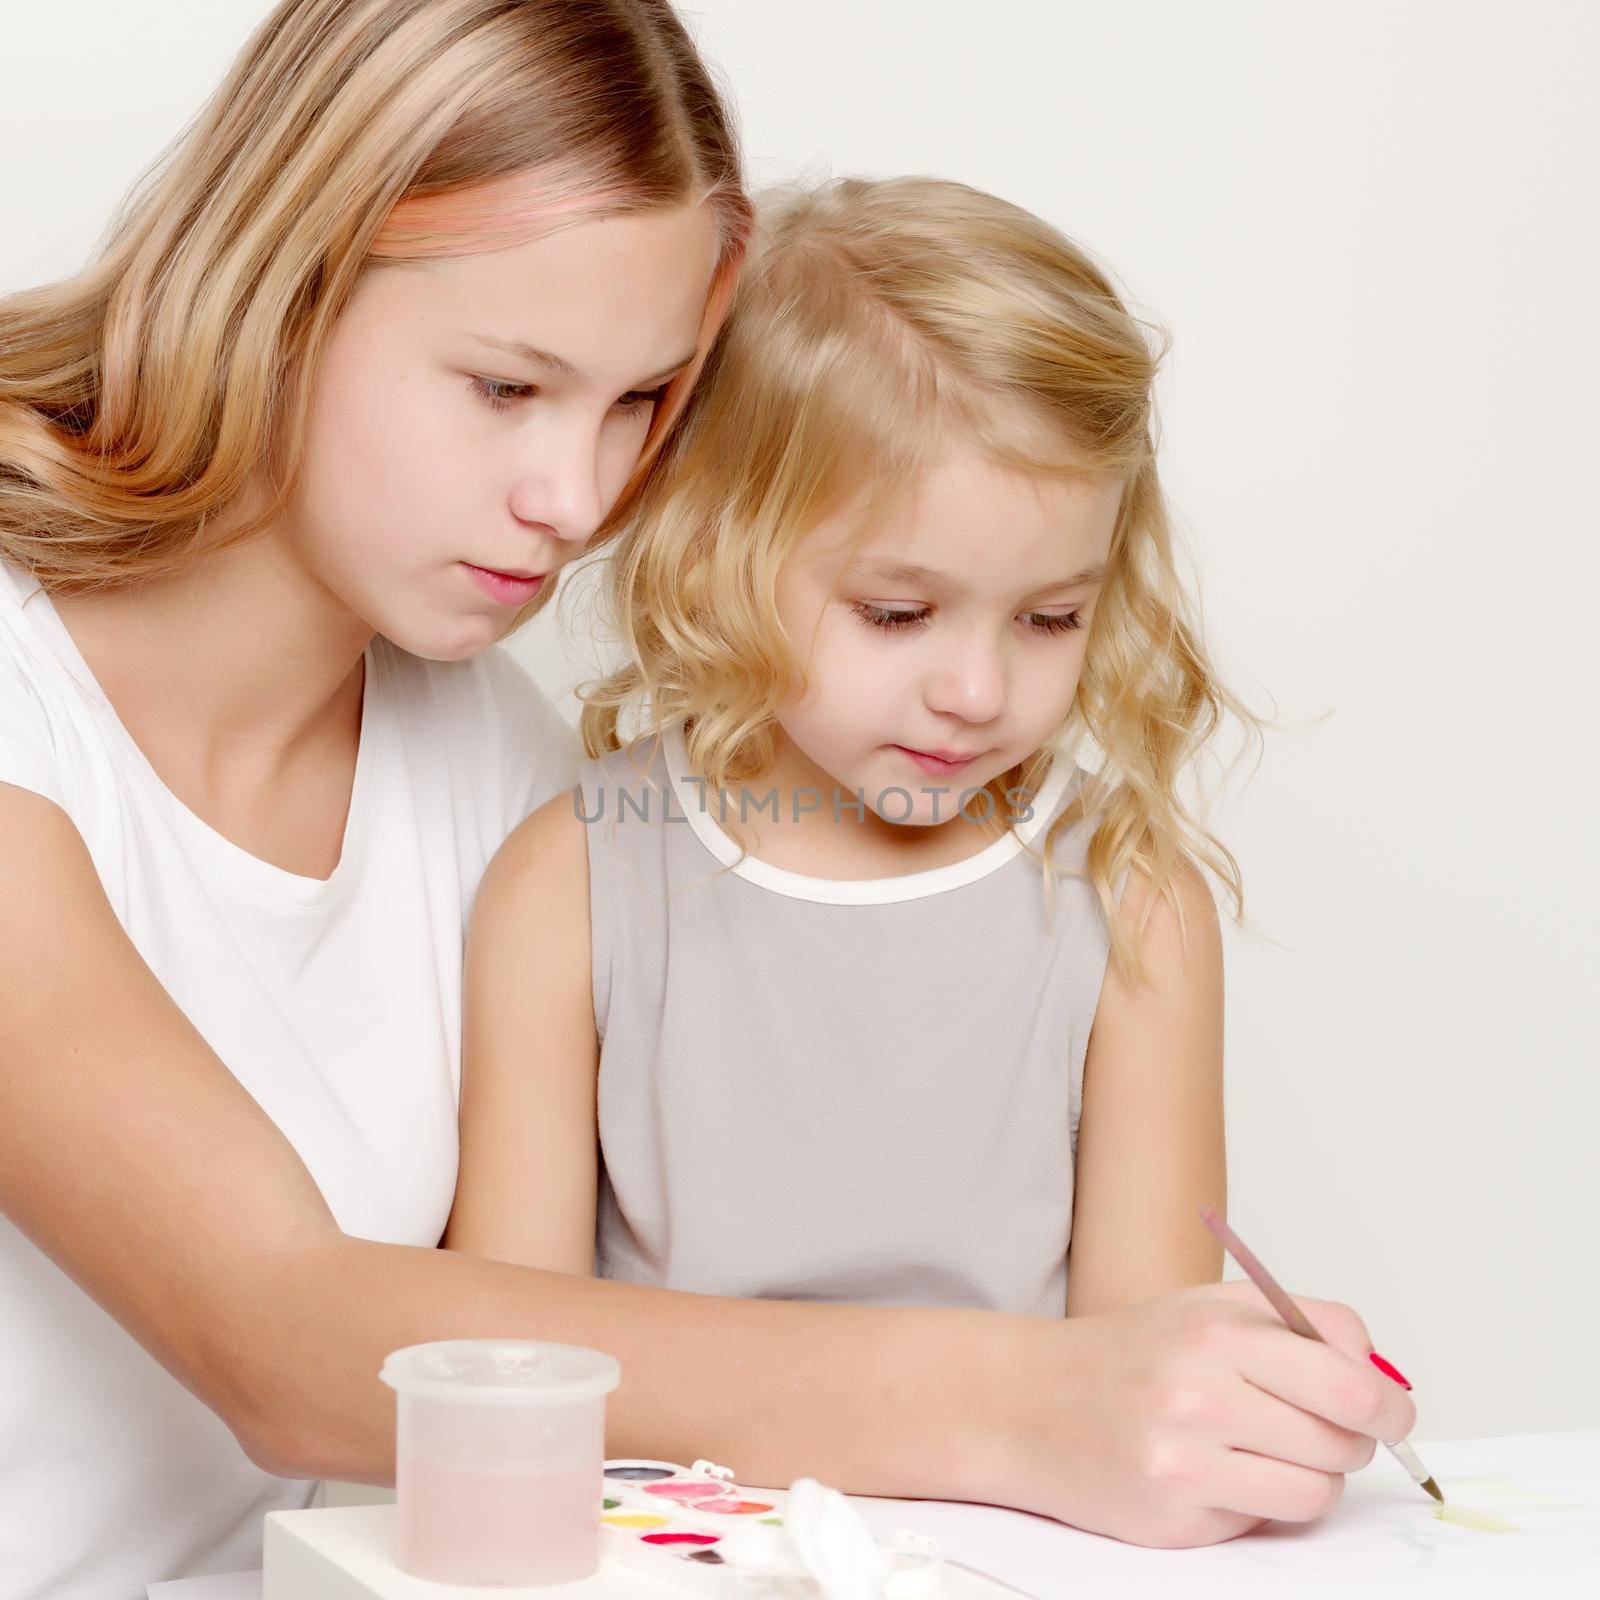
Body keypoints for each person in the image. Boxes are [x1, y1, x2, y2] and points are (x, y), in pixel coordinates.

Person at [450, 177, 1419, 1547]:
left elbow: (1141, 1395)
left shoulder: (1130, 897)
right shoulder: (573, 880)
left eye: (1049, 616)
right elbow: (504, 1373)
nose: (975, 689)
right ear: (719, 549)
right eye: (897, 611)